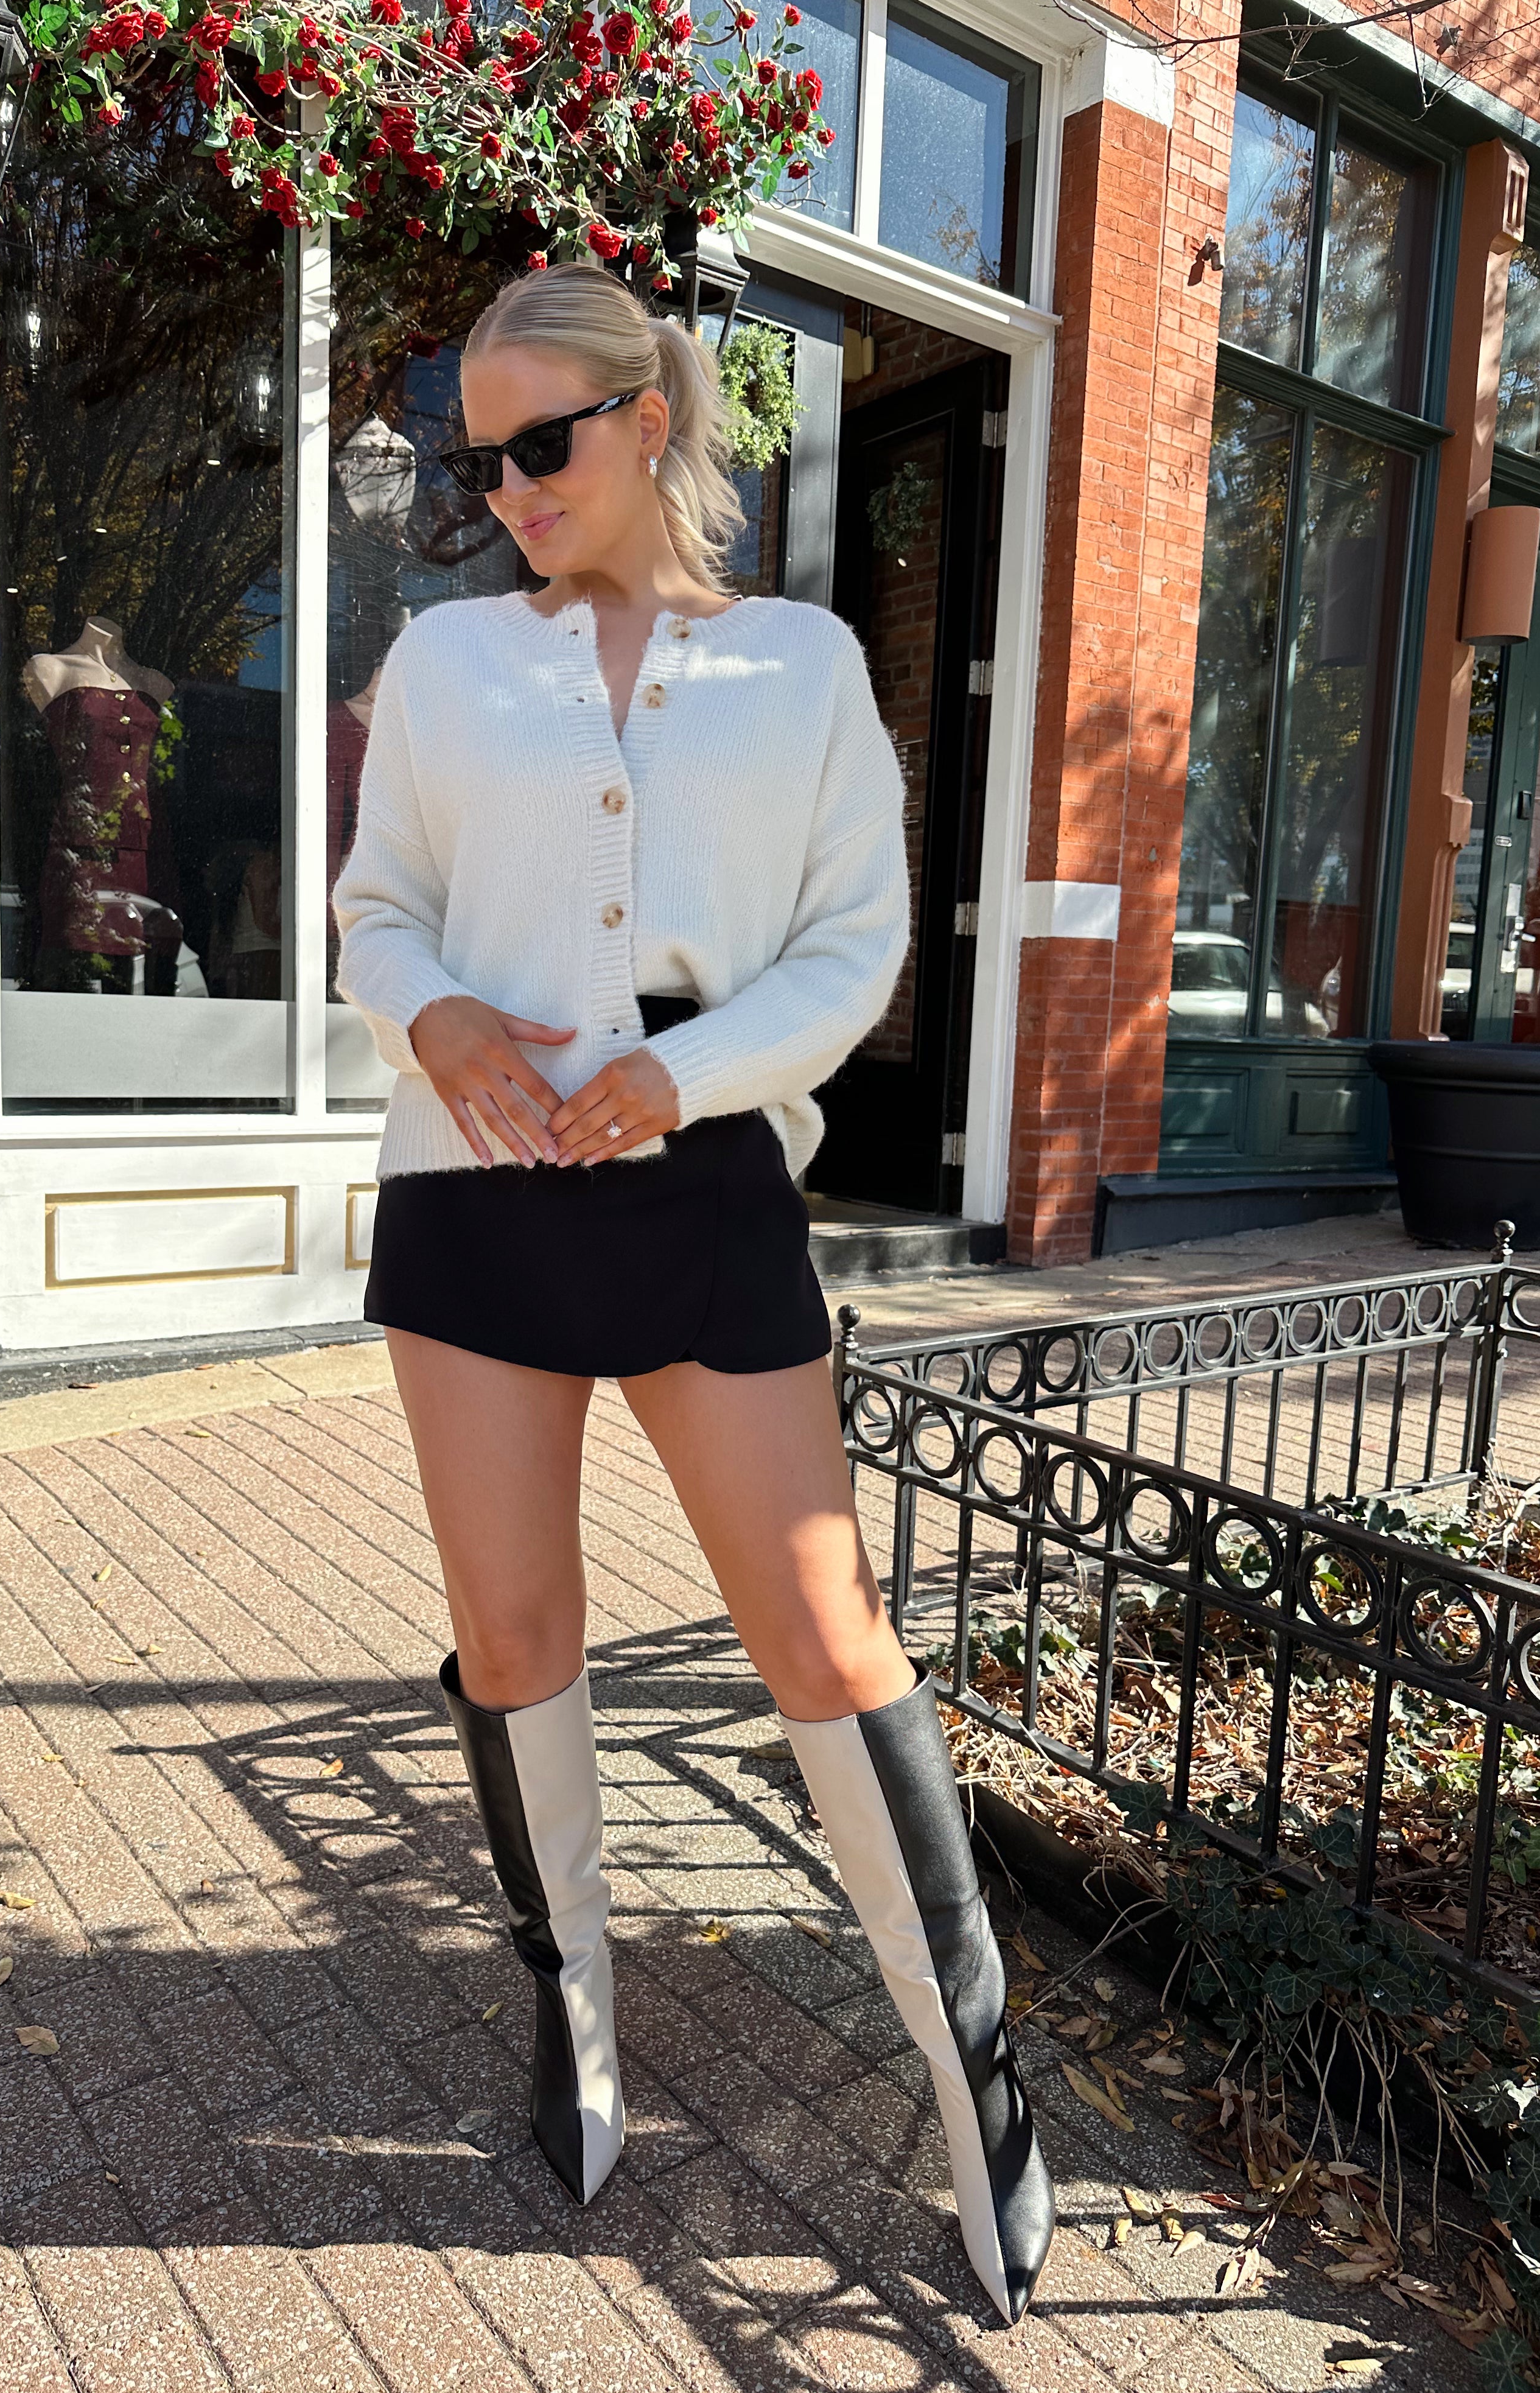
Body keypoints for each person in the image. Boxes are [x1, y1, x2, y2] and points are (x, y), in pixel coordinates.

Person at [334, 262, 1052, 2324]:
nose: (508, 490)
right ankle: (571, 2001)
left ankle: (975, 2069)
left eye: (541, 444)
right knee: (512, 1630)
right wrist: (441, 1015)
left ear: (650, 417)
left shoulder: (804, 666)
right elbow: (377, 909)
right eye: (479, 460)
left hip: (706, 1176)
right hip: (473, 1183)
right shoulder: (447, 658)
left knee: (823, 1629)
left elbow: (854, 946)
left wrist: (689, 1070)